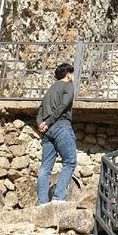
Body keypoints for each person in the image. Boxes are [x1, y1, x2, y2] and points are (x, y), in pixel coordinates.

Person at [36, 62, 77, 204]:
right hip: (61, 127)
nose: (73, 76)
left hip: (47, 132)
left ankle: (42, 202)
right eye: (72, 73)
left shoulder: (50, 89)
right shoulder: (68, 85)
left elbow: (40, 110)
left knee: (45, 167)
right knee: (70, 162)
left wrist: (41, 124)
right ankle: (58, 198)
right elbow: (63, 106)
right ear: (68, 74)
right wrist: (49, 122)